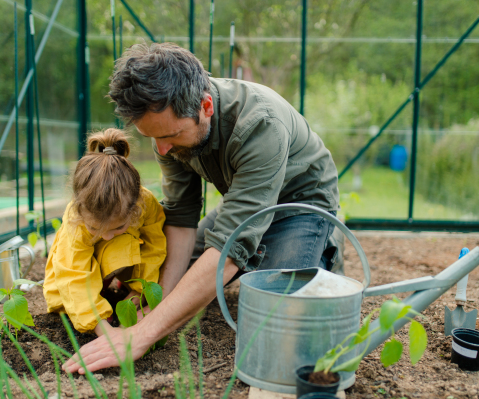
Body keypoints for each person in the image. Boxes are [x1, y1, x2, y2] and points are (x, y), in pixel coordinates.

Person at [63, 43, 340, 373]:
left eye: (170, 136)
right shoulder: (167, 129)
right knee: (166, 264)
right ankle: (260, 258)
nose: (162, 149)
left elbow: (229, 248)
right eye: (152, 138)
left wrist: (141, 336)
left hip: (300, 206)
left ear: (205, 106)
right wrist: (154, 308)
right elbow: (181, 216)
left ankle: (320, 254)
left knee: (274, 312)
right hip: (245, 204)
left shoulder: (259, 125)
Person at [44, 129, 167, 336]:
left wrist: (139, 290)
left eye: (118, 226)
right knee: (64, 297)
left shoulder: (145, 203)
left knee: (127, 242)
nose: (107, 235)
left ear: (134, 208)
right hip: (76, 270)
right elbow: (73, 274)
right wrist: (103, 329)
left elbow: (154, 249)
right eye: (94, 228)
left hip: (114, 265)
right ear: (80, 212)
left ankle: (115, 286)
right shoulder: (75, 220)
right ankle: (94, 303)